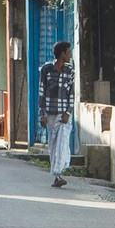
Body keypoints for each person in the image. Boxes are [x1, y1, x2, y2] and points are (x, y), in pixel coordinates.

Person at [40, 41, 75, 188]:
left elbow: (71, 94)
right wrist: (42, 114)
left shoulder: (70, 71)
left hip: (63, 114)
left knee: (62, 141)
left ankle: (58, 172)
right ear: (62, 54)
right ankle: (56, 174)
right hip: (50, 113)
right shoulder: (46, 70)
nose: (70, 54)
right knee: (53, 144)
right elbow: (41, 92)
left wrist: (68, 112)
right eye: (68, 52)